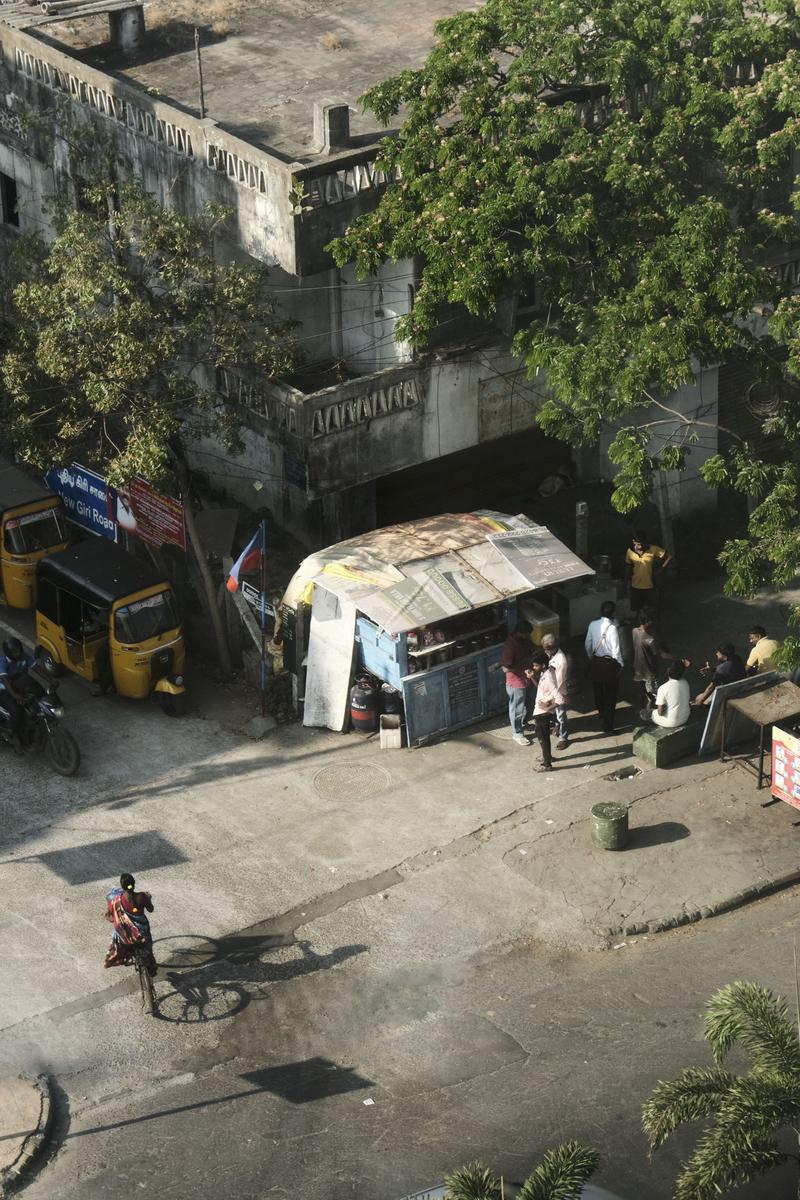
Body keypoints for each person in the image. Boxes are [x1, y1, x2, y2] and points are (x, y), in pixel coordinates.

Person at [104, 872, 157, 977]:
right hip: (142, 934)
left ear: (122, 886)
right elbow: (151, 909)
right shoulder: (142, 896)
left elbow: (111, 917)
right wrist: (149, 899)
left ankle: (125, 956)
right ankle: (151, 967)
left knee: (118, 935)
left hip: (126, 938)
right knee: (147, 947)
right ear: (134, 884)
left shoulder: (116, 901)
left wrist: (109, 917)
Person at [585, 601, 624, 734]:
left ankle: (601, 712)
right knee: (610, 695)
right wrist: (621, 665)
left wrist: (591, 657)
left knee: (598, 691)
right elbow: (616, 650)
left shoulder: (592, 624)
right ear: (613, 613)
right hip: (609, 665)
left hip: (596, 662)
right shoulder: (612, 629)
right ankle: (608, 725)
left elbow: (588, 644)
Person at [501, 619, 536, 745]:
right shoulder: (510, 646)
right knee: (517, 708)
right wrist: (524, 664)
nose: (529, 637)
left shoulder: (524, 640)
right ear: (520, 633)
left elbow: (532, 648)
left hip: (527, 677)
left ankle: (524, 723)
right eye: (527, 634)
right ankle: (517, 733)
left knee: (529, 703)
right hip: (516, 681)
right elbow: (505, 668)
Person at [0, 637, 35, 748]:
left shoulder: (24, 657)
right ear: (8, 653)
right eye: (15, 652)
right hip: (4, 690)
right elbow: (5, 681)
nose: (18, 653)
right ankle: (11, 732)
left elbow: (37, 668)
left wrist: (51, 680)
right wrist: (15, 696)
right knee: (16, 710)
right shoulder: (3, 663)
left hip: (18, 686)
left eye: (19, 650)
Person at [625, 530, 671, 616]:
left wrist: (661, 569)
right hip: (635, 586)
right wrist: (627, 582)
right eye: (635, 544)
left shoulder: (653, 549)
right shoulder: (629, 551)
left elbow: (668, 556)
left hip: (650, 586)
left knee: (652, 610)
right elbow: (628, 567)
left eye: (640, 544)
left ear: (645, 542)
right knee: (638, 610)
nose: (637, 546)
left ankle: (652, 626)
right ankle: (641, 627)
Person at [527, 652, 556, 771]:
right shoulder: (546, 672)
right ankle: (547, 757)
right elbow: (540, 687)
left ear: (543, 665)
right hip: (540, 711)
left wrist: (548, 708)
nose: (534, 668)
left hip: (542, 713)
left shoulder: (549, 677)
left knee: (543, 738)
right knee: (544, 737)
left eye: (536, 665)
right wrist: (532, 677)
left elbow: (558, 697)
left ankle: (547, 764)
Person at [541, 633, 569, 749]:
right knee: (554, 714)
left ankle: (564, 738)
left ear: (551, 648)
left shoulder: (561, 661)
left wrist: (551, 697)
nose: (544, 651)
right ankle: (557, 725)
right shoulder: (550, 654)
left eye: (546, 649)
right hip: (549, 690)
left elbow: (559, 681)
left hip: (558, 692)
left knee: (561, 715)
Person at [652, 660, 691, 728]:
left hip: (671, 722)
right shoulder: (685, 682)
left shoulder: (663, 688)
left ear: (668, 671)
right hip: (685, 718)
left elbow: (660, 713)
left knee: (647, 713)